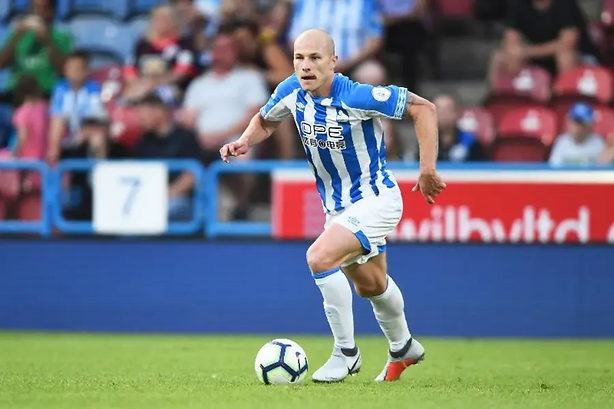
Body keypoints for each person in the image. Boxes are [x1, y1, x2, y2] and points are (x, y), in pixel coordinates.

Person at [220, 29, 445, 382]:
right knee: (371, 284)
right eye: (299, 58)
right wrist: (245, 140)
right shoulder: (291, 90)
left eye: (315, 58)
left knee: (319, 257)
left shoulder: (357, 95)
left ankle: (346, 353)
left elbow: (423, 108)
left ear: (333, 62)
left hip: (376, 199)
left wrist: (427, 168)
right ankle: (403, 346)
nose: (305, 66)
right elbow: (266, 120)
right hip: (338, 209)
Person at [491, 0, 598, 80]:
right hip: (540, 56)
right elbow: (511, 40)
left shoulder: (565, 4)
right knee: (500, 58)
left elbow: (566, 44)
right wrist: (514, 53)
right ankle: (504, 99)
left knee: (565, 57)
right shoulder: (518, 4)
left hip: (581, 55)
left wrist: (526, 52)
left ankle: (564, 98)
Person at [0, 0, 73, 103]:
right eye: (34, 8)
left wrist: (47, 42)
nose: (37, 13)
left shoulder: (62, 37)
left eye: (43, 9)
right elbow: (1, 64)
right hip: (17, 92)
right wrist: (17, 36)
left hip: (46, 92)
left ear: (51, 12)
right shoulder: (18, 36)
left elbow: (65, 71)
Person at [47, 51, 103, 164]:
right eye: (69, 69)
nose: (73, 73)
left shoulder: (93, 88)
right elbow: (56, 116)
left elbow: (95, 118)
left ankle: (99, 168)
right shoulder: (60, 88)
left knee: (98, 137)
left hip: (86, 133)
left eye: (77, 69)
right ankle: (53, 160)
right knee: (57, 122)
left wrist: (82, 134)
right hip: (68, 133)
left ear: (85, 71)